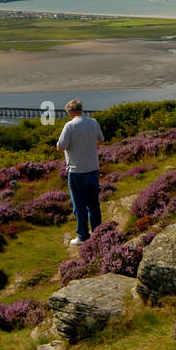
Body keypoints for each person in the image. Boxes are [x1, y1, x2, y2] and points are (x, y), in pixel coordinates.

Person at [56, 99, 104, 245]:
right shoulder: (93, 122)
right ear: (81, 109)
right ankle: (98, 232)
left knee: (79, 205)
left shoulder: (69, 126)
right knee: (93, 204)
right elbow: (101, 140)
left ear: (70, 112)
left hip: (76, 170)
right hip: (92, 168)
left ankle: (82, 236)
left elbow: (61, 146)